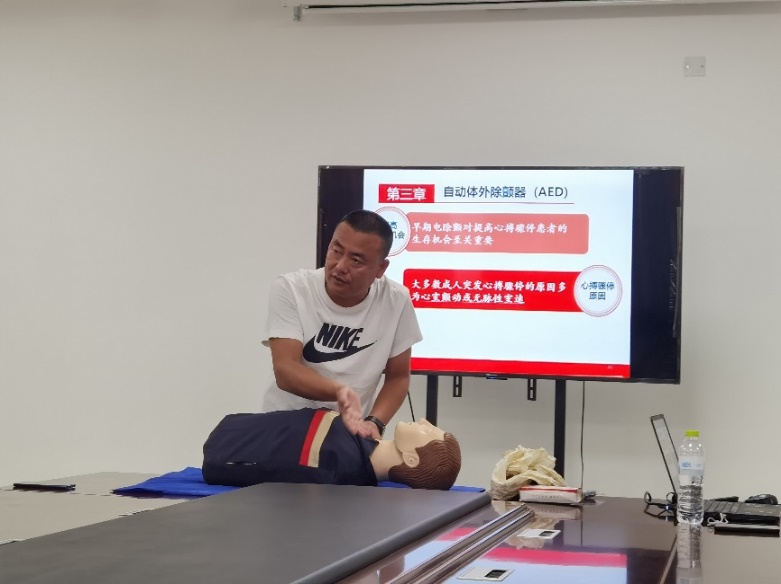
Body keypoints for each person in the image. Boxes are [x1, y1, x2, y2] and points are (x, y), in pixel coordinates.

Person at [261, 210, 422, 439]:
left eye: (356, 260)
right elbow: (286, 370)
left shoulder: (396, 300)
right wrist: (339, 391)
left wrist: (374, 423)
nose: (340, 266)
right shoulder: (292, 289)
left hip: (348, 435)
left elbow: (398, 377)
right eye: (336, 251)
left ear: (380, 269)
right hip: (285, 430)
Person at [202, 409, 461, 490]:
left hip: (225, 450)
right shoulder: (355, 443)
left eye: (428, 432)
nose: (424, 421)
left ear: (412, 459)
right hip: (235, 429)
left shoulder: (338, 468)